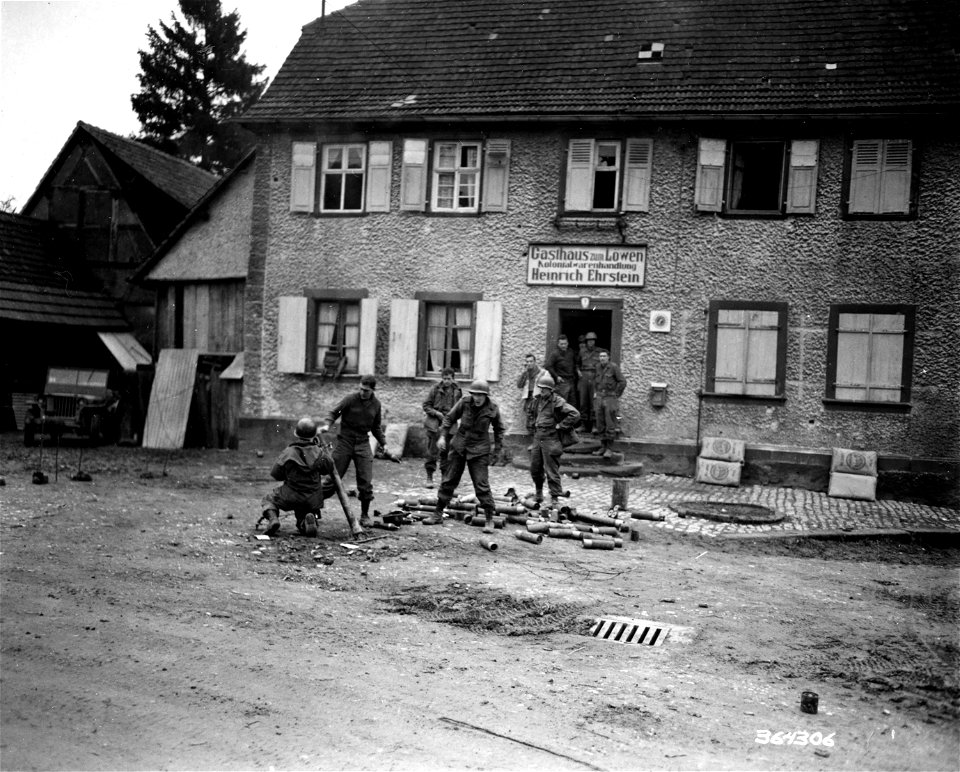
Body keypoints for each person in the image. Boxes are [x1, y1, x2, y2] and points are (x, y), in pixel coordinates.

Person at [421, 379, 504, 533]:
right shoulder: (464, 402)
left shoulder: (493, 409)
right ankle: (438, 513)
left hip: (479, 449)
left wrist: (497, 450)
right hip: (460, 446)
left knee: (481, 484)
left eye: (481, 395)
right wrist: (442, 437)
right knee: (448, 480)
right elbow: (449, 418)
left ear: (486, 396)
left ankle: (489, 518)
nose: (477, 398)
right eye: (474, 394)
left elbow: (499, 429)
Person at [320, 374, 399, 528]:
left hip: (363, 443)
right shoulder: (350, 399)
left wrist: (384, 443)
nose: (363, 393)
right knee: (332, 479)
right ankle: (313, 507)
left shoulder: (376, 405)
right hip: (345, 442)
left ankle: (364, 515)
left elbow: (376, 427)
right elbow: (333, 413)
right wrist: (327, 425)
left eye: (366, 391)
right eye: (361, 389)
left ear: (373, 390)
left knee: (365, 482)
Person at [259, 417, 334, 537]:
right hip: (312, 498)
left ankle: (273, 519)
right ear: (314, 435)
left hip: (291, 495)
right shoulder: (320, 453)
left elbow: (276, 474)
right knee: (305, 512)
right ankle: (305, 523)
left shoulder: (288, 452)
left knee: (268, 499)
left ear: (296, 433)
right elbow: (328, 468)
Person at [526, 372, 580, 509]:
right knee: (535, 467)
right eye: (540, 388)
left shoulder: (557, 401)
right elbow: (531, 414)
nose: (541, 390)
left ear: (550, 390)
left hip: (551, 438)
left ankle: (555, 498)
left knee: (551, 470)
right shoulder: (537, 400)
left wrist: (561, 426)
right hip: (538, 437)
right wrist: (532, 425)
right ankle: (538, 493)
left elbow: (575, 414)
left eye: (544, 389)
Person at [421, 367, 462, 488]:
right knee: (432, 452)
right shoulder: (435, 389)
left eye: (449, 379)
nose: (446, 381)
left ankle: (444, 478)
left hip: (450, 424)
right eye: (444, 378)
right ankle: (429, 477)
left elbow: (460, 408)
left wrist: (453, 417)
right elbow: (426, 405)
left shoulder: (457, 391)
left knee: (447, 452)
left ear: (453, 379)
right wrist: (437, 413)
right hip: (435, 424)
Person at [592, 350, 626, 458]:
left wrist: (616, 394)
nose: (602, 358)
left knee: (610, 422)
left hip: (610, 397)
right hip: (600, 397)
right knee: (600, 422)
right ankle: (603, 446)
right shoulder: (597, 367)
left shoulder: (614, 367)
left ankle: (609, 449)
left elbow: (622, 382)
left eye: (604, 356)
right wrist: (595, 393)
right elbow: (595, 381)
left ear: (608, 357)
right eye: (600, 356)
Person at [576, 332, 608, 434]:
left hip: (594, 377)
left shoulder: (600, 352)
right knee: (583, 402)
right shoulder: (582, 351)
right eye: (589, 341)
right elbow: (577, 364)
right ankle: (583, 425)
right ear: (586, 342)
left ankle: (594, 425)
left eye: (593, 340)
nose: (591, 342)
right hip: (584, 377)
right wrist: (578, 372)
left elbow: (605, 363)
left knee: (594, 402)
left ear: (595, 341)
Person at [516, 353, 549, 437]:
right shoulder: (526, 373)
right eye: (527, 362)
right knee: (529, 418)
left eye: (531, 361)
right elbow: (519, 385)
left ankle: (538, 439)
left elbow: (548, 386)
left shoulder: (543, 372)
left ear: (535, 362)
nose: (529, 363)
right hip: (528, 397)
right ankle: (531, 438)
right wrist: (524, 373)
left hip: (538, 397)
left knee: (538, 418)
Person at [544, 334, 578, 407]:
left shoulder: (571, 352)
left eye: (565, 344)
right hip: (562, 381)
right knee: (562, 402)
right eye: (561, 344)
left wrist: (577, 370)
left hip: (571, 380)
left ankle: (571, 418)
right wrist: (556, 376)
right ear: (558, 344)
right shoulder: (555, 354)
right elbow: (548, 366)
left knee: (573, 402)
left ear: (567, 343)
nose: (563, 346)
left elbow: (575, 363)